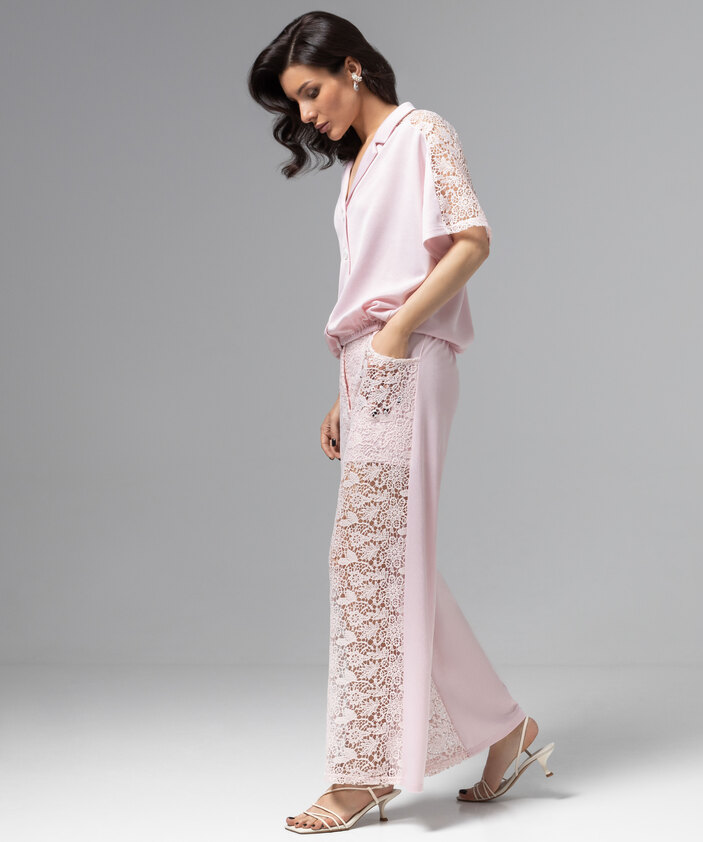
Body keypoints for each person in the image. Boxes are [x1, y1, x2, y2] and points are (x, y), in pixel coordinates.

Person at [248, 11, 555, 834]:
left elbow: (472, 241)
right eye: (295, 102)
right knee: (385, 560)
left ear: (351, 68)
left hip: (406, 357)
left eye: (311, 92)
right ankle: (507, 729)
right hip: (369, 369)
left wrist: (392, 338)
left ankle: (361, 775)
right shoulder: (361, 164)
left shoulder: (423, 133)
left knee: (368, 563)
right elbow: (366, 285)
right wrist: (346, 389)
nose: (306, 114)